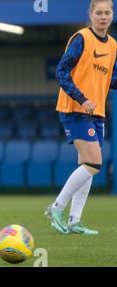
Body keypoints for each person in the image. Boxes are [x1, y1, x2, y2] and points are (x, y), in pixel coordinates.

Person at [46, 0, 117, 235]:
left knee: (87, 165)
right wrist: (81, 98)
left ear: (112, 14)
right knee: (94, 163)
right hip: (75, 109)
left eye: (107, 12)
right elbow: (61, 71)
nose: (104, 17)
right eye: (99, 13)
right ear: (91, 14)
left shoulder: (113, 45)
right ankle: (56, 207)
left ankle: (74, 221)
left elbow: (111, 79)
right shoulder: (82, 38)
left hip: (96, 113)